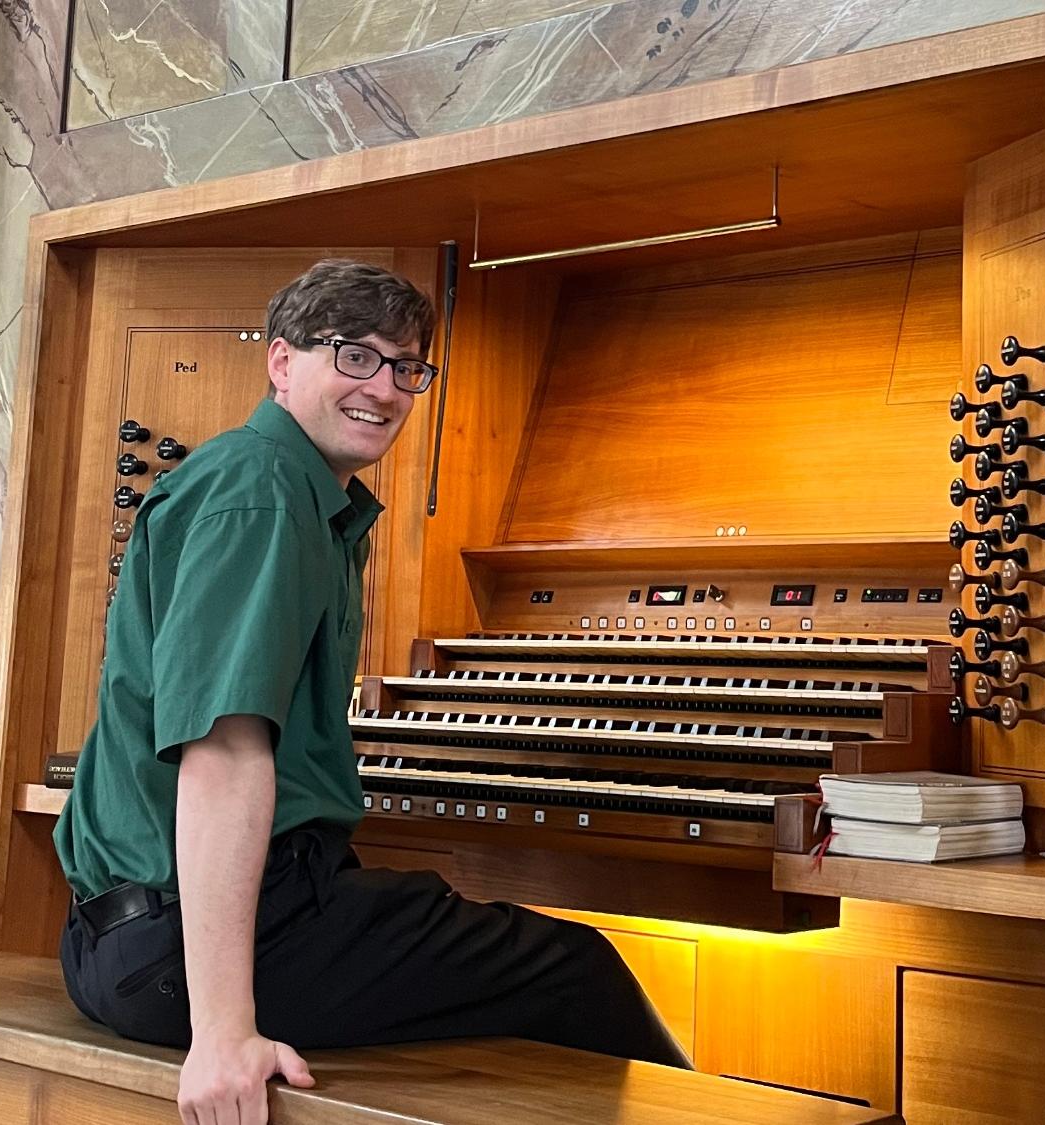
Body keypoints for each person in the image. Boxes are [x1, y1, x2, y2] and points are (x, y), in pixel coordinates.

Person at [53, 259, 689, 1125]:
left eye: (406, 367)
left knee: (458, 949)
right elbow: (224, 754)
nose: (384, 388)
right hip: (177, 946)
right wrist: (224, 1033)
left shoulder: (300, 494)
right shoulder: (265, 490)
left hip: (124, 933)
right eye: (353, 356)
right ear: (281, 362)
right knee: (576, 970)